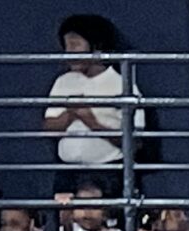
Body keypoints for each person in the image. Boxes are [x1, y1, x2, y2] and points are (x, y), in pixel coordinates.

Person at [45, 14, 140, 176]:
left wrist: (91, 121)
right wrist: (70, 114)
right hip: (67, 172)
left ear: (96, 46)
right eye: (66, 46)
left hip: (107, 172)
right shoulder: (63, 82)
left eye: (75, 45)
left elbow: (136, 142)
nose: (69, 53)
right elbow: (48, 126)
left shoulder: (122, 85)